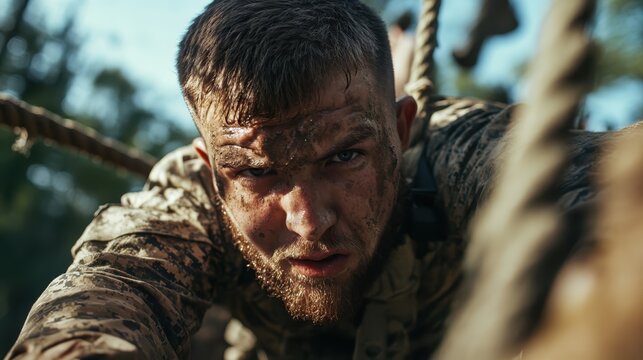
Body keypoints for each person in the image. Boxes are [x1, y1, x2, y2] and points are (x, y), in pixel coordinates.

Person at [6, 1, 606, 359]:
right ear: (213, 169)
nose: (309, 221)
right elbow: (104, 299)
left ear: (401, 129)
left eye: (344, 158)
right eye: (260, 174)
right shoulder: (189, 200)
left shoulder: (457, 150)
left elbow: (599, 194)